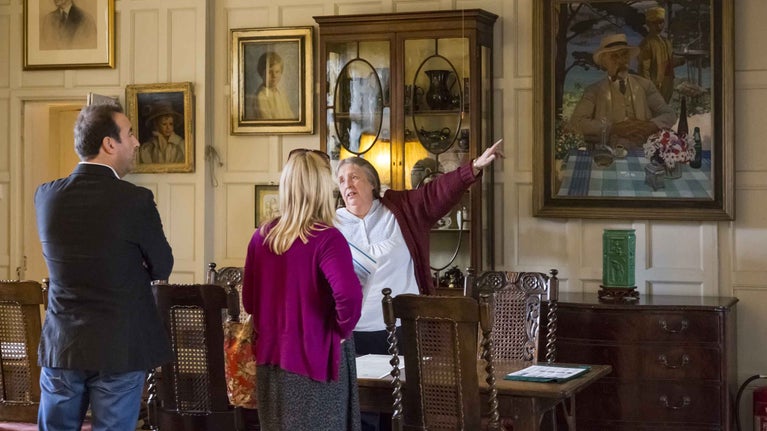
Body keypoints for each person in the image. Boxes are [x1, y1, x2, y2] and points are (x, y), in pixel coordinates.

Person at [335, 140, 502, 431]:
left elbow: (437, 193)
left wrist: (472, 168)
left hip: (399, 332)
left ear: (372, 183)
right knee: (360, 415)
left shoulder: (401, 209)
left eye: (354, 177)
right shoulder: (328, 224)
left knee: (402, 413)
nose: (347, 184)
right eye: (341, 180)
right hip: (350, 336)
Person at [34, 103, 174, 431]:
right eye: (129, 134)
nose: (137, 142)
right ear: (109, 144)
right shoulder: (135, 200)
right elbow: (162, 266)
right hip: (119, 347)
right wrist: (131, 264)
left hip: (62, 346)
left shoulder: (46, 196)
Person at [242, 149, 363, 430]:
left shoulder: (260, 237)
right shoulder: (327, 238)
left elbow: (249, 302)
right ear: (323, 189)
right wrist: (340, 330)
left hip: (271, 360)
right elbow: (349, 295)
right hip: (316, 360)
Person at [569, 33, 677, 149]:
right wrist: (612, 128)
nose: (621, 61)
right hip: (607, 154)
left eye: (625, 55)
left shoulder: (645, 85)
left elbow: (669, 114)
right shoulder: (594, 91)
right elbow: (576, 122)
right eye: (614, 56)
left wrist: (650, 126)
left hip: (643, 152)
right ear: (604, 62)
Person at [638, 6, 685, 102]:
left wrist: (680, 60)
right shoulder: (646, 43)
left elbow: (667, 62)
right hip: (655, 86)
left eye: (661, 22)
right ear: (648, 24)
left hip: (667, 83)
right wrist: (649, 90)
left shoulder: (666, 42)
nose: (659, 26)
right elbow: (643, 70)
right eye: (655, 23)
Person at [246, 51, 296, 120]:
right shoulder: (261, 97)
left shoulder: (281, 93)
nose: (274, 76)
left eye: (277, 72)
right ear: (261, 73)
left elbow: (290, 116)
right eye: (269, 72)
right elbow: (268, 124)